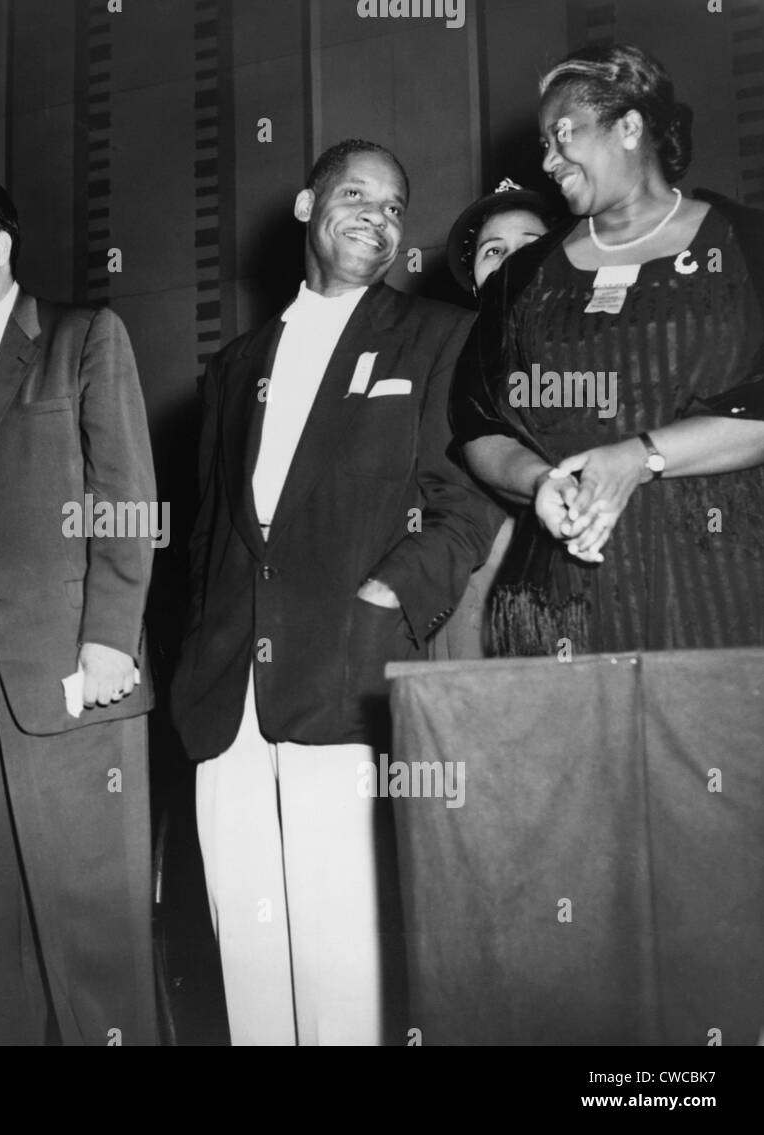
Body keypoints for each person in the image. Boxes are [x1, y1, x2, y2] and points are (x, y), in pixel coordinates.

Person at [170, 140, 497, 1044]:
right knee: (248, 963)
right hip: (225, 700)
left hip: (346, 681)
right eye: (356, 195)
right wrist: (195, 656)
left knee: (340, 964)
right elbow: (208, 537)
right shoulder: (234, 365)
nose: (378, 219)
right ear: (307, 207)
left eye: (395, 208)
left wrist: (385, 600)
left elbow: (462, 510)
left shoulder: (437, 335)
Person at [0, 171, 158, 1046]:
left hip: (69, 655)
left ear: (0, 248)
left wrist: (111, 637)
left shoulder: (82, 337)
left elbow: (127, 498)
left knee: (94, 941)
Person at [451, 43, 764, 656]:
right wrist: (539, 481)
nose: (548, 161)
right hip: (560, 596)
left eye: (562, 135)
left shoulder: (749, 243)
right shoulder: (523, 278)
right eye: (543, 143)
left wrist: (641, 457)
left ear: (629, 126)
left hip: (726, 583)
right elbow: (479, 423)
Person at [432, 180, 558, 659]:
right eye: (493, 250)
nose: (512, 261)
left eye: (531, 245)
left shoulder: (609, 338)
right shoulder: (448, 355)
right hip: (481, 565)